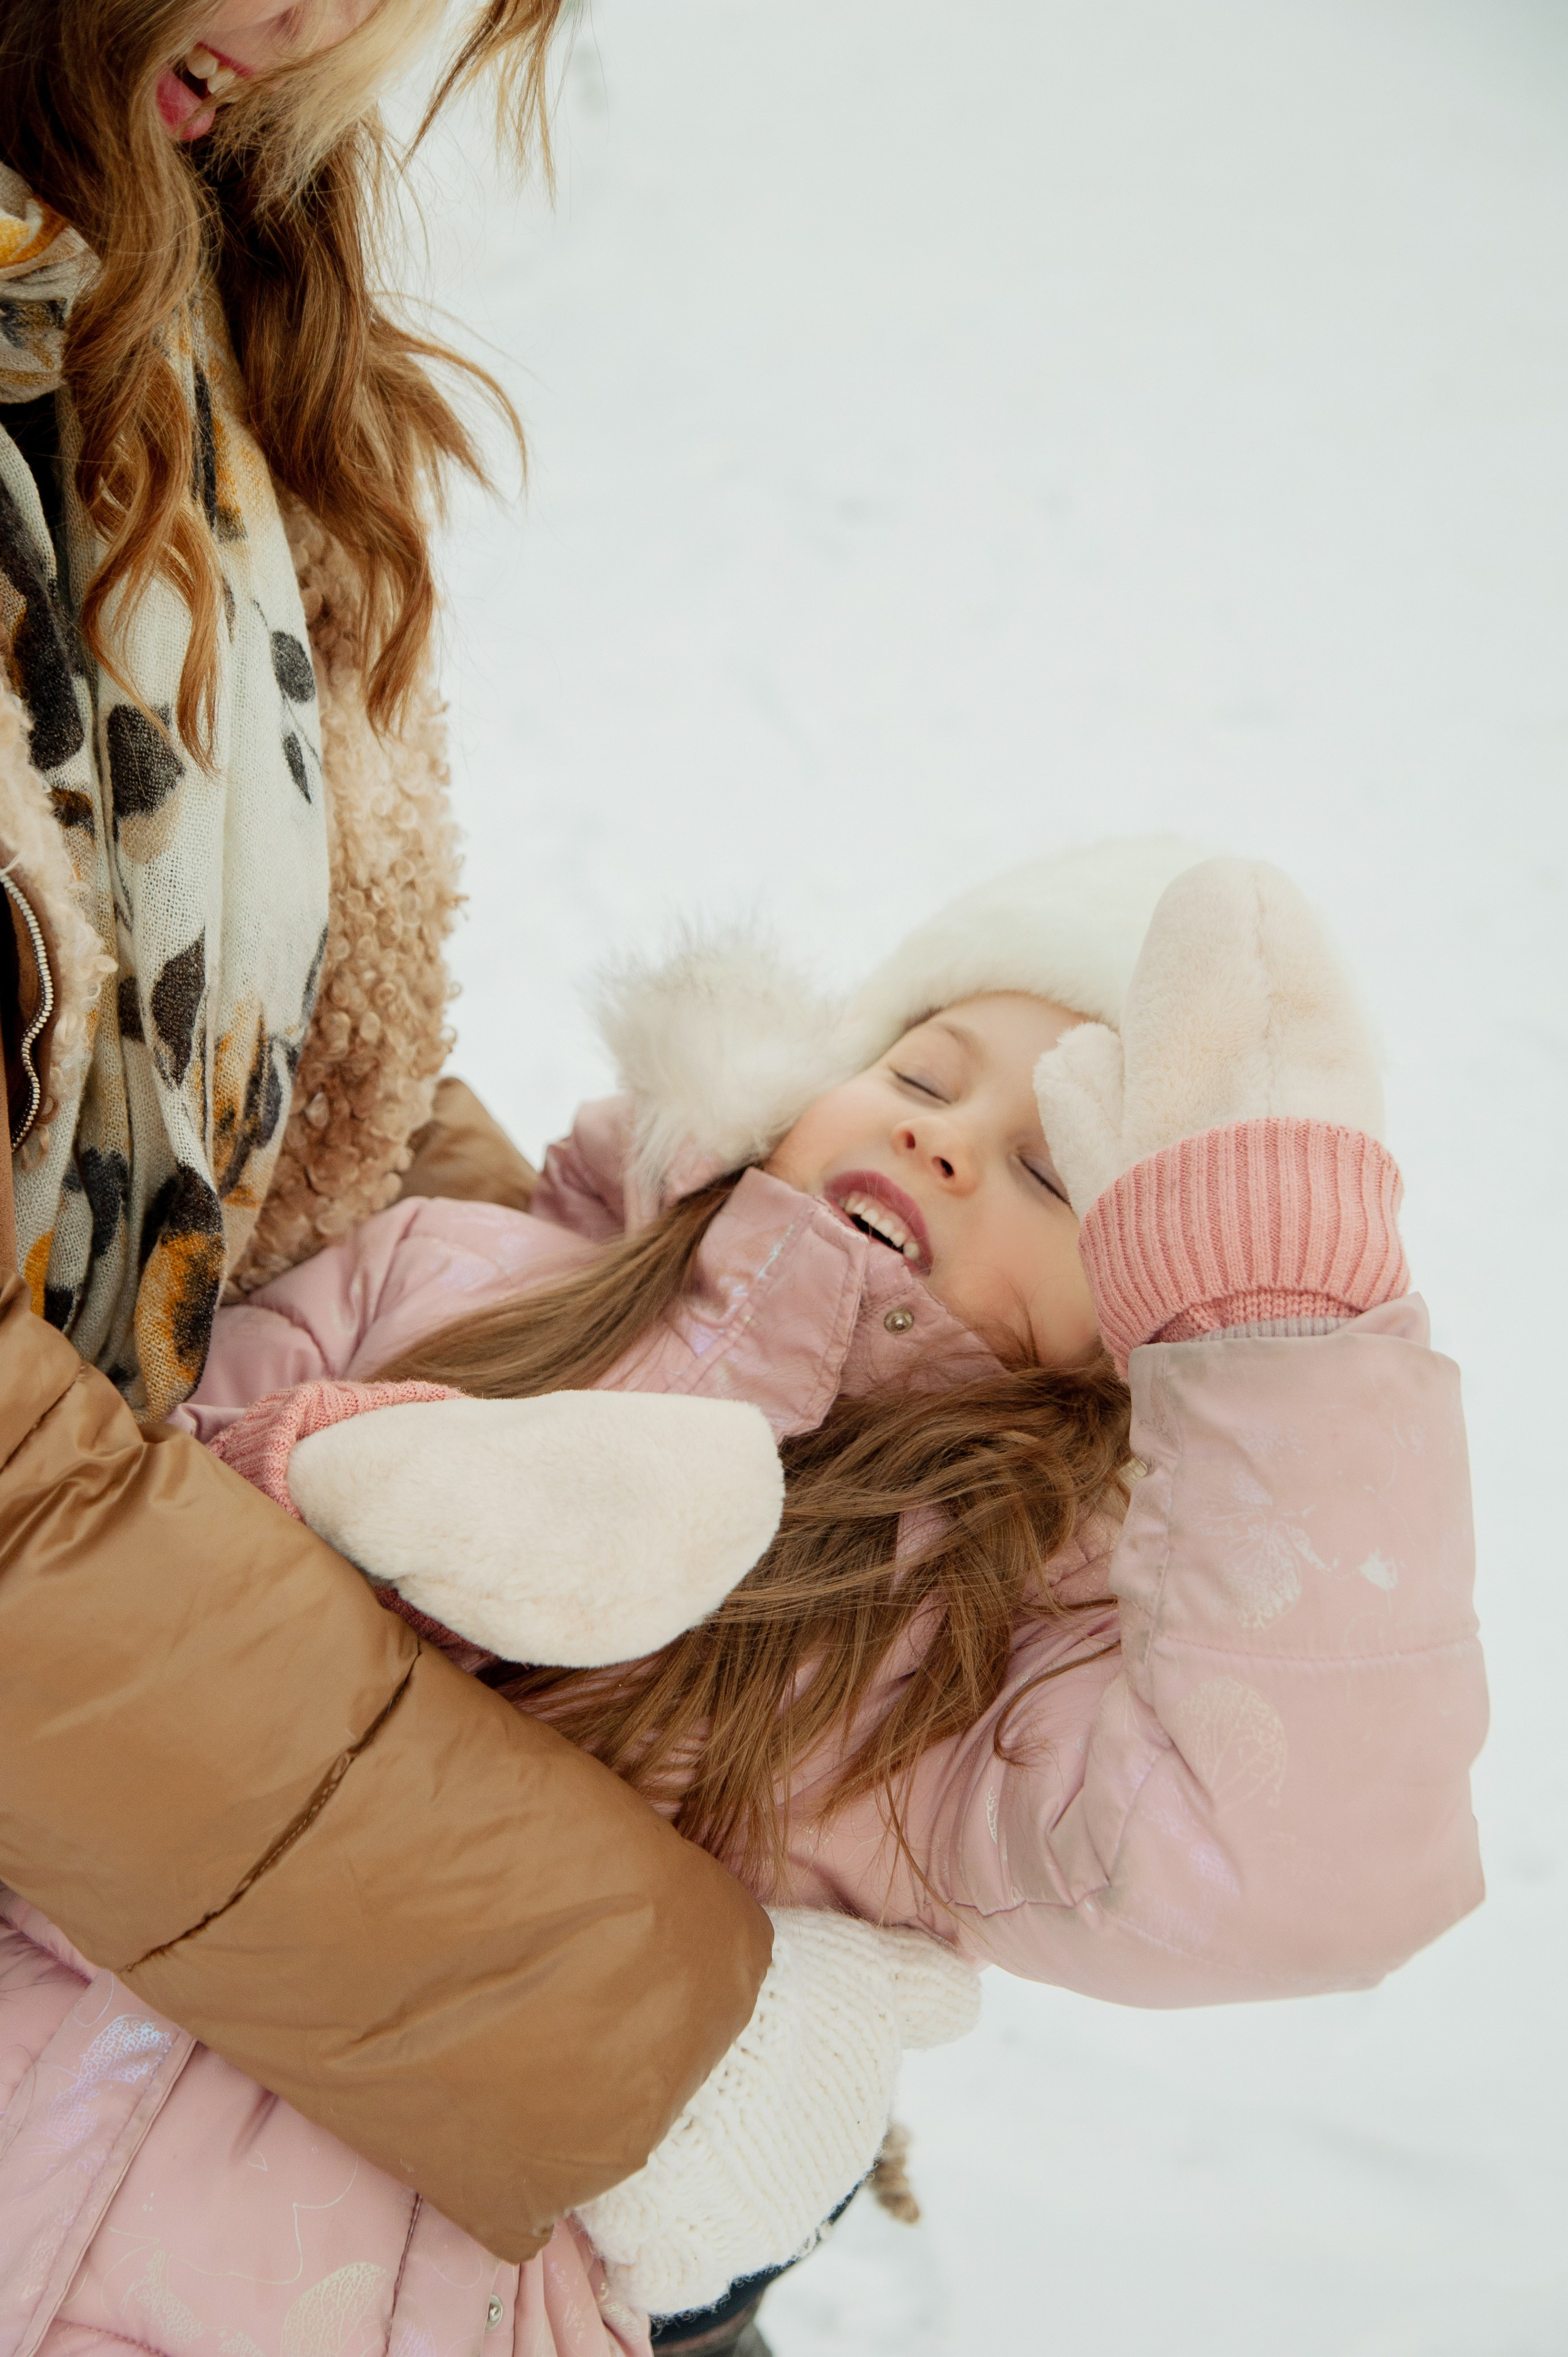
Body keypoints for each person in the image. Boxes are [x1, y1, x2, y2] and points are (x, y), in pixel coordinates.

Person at [0, 842, 1488, 2356]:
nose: (941, 1143)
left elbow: (1293, 1860)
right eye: (918, 1074)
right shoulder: (457, 1264)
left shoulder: (977, 1648)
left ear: (1129, 1333)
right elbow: (139, 1523)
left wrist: (1272, 1342)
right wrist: (334, 1469)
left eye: (1050, 1169)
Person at [0, 0, 945, 2326]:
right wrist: (619, 2021)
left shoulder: (188, 297)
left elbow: (290, 1107)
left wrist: (604, 1378)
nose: (325, 18)